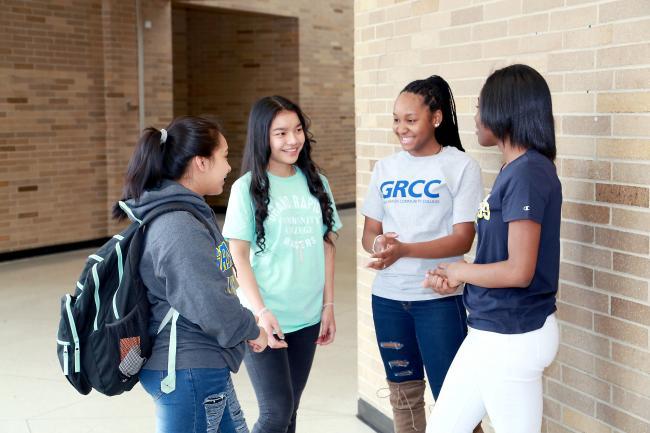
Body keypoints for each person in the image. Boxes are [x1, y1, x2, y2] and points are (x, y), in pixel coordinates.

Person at [425, 64, 562, 433]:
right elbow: (502, 259)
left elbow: (519, 271)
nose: (475, 115)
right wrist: (462, 274)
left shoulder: (527, 172)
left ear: (504, 109)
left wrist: (460, 271)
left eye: (481, 105)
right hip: (491, 332)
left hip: (511, 336)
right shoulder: (514, 169)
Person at [113, 116, 268, 433]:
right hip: (187, 370)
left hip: (199, 366)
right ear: (200, 162)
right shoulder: (179, 226)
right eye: (224, 156)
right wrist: (251, 329)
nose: (228, 167)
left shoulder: (189, 214)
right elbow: (209, 302)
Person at [361, 76, 484, 433]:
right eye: (396, 119)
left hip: (439, 300)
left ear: (436, 118)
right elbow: (371, 232)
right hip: (387, 298)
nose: (401, 128)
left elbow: (463, 239)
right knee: (404, 398)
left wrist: (406, 250)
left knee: (455, 402)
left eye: (410, 119)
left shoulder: (460, 166)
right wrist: (380, 246)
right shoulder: (385, 168)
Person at [223, 95, 342, 433]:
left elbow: (327, 246)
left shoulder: (316, 182)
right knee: (275, 414)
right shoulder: (245, 188)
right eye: (281, 133)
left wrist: (328, 305)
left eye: (298, 129)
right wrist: (260, 312)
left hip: (306, 316)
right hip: (263, 318)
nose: (293, 140)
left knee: (290, 412)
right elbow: (238, 257)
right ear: (263, 136)